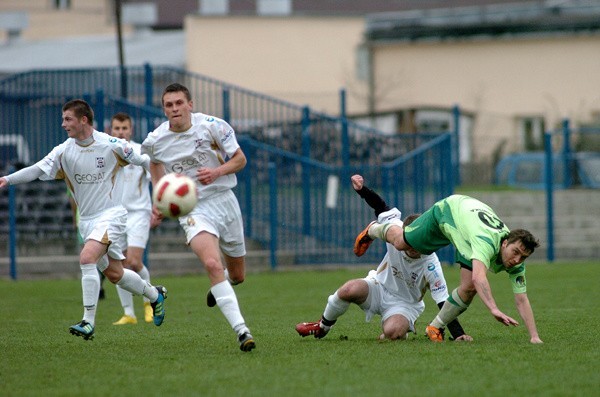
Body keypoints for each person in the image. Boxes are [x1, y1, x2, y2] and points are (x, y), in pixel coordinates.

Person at [0, 99, 167, 341]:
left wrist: (167, 182)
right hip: (88, 219)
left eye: (67, 119)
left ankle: (88, 321)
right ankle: (154, 295)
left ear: (83, 120)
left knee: (87, 257)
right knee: (115, 274)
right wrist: (7, 179)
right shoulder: (64, 150)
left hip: (112, 216)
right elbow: (37, 169)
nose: (63, 124)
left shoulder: (111, 145)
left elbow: (145, 160)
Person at [141, 83, 255, 352]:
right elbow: (153, 162)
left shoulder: (213, 126)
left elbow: (240, 159)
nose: (174, 109)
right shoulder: (155, 140)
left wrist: (217, 172)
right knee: (213, 265)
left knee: (237, 275)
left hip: (224, 201)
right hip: (193, 210)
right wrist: (160, 195)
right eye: (169, 105)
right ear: (164, 109)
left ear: (190, 104)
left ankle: (221, 286)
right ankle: (242, 331)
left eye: (179, 103)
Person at [296, 174, 472, 341]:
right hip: (378, 286)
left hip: (404, 304)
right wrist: (362, 190)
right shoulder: (395, 233)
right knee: (348, 289)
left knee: (393, 332)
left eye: (416, 242)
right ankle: (322, 327)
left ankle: (402, 329)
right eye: (408, 241)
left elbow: (443, 301)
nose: (411, 247)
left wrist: (458, 335)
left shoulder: (430, 263)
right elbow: (381, 207)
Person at [354, 193, 543, 344]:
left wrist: (534, 336)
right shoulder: (486, 242)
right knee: (402, 243)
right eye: (515, 252)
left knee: (467, 289)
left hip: (466, 232)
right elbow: (480, 278)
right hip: (448, 212)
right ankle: (373, 229)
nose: (517, 259)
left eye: (523, 257)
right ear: (504, 243)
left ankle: (435, 327)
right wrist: (494, 308)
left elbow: (521, 299)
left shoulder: (516, 261)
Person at [109, 112, 154, 325]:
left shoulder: (139, 152)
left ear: (131, 130)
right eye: (117, 128)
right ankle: (129, 314)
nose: (120, 132)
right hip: (115, 214)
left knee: (133, 262)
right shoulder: (107, 151)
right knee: (119, 265)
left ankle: (149, 301)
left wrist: (159, 207)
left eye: (124, 128)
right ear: (111, 130)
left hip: (139, 212)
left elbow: (156, 176)